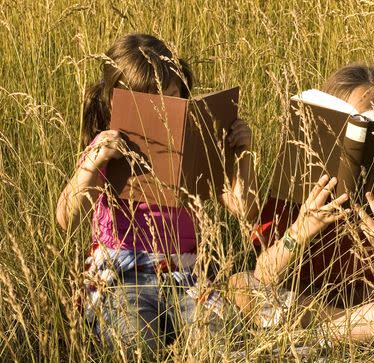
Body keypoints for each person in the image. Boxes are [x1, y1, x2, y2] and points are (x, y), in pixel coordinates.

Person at [55, 33, 258, 356]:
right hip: (121, 277)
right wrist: (94, 161)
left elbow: (243, 208)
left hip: (185, 277)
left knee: (220, 340)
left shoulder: (196, 139)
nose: (163, 112)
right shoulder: (108, 148)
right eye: (149, 105)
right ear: (115, 104)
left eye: (172, 98)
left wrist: (243, 155)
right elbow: (67, 218)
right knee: (134, 343)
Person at [227, 64, 374, 345]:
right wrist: (302, 227)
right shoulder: (300, 177)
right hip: (312, 307)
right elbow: (264, 274)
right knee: (240, 285)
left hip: (373, 307)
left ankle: (314, 338)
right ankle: (338, 335)